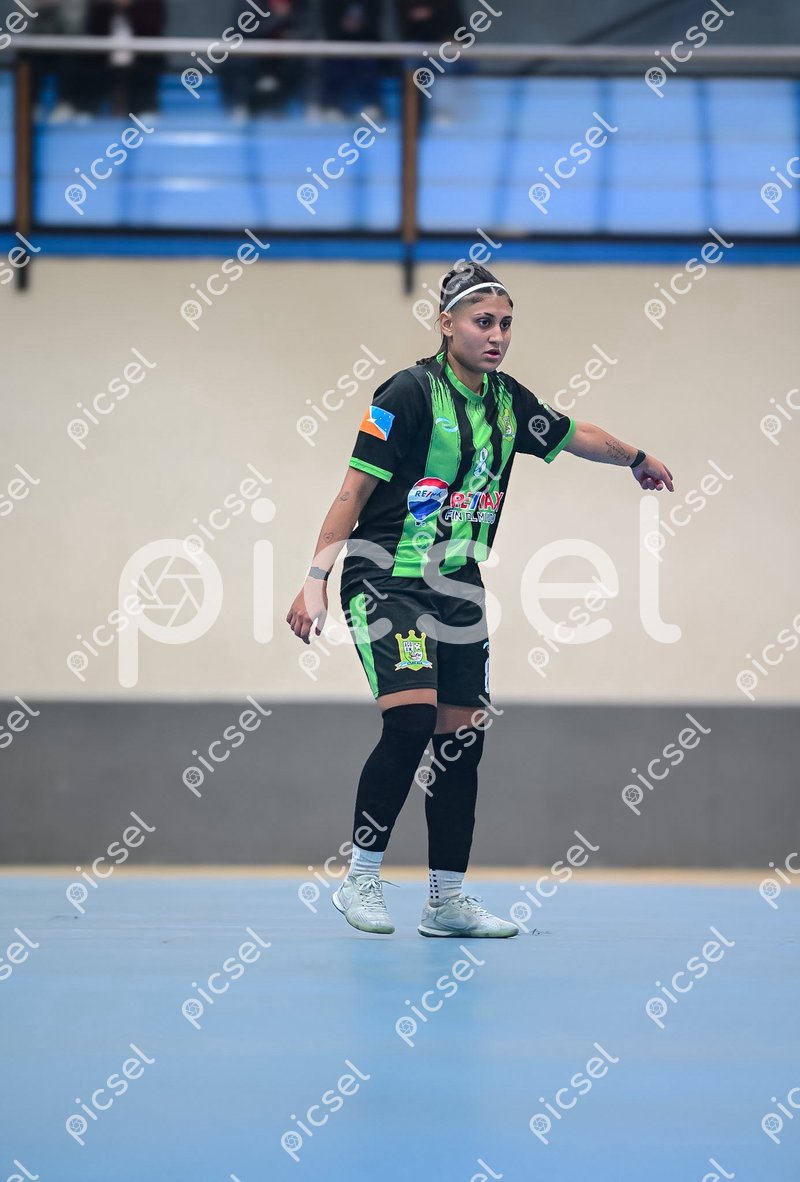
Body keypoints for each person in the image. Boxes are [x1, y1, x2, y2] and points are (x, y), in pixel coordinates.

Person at [286, 263, 674, 938]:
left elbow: (573, 433)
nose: (497, 336)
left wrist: (635, 457)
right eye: (483, 322)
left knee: (460, 741)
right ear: (446, 324)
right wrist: (315, 577)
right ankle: (360, 880)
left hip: (458, 585)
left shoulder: (508, 401)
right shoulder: (405, 393)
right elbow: (353, 489)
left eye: (506, 324)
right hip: (386, 578)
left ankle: (446, 901)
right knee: (410, 720)